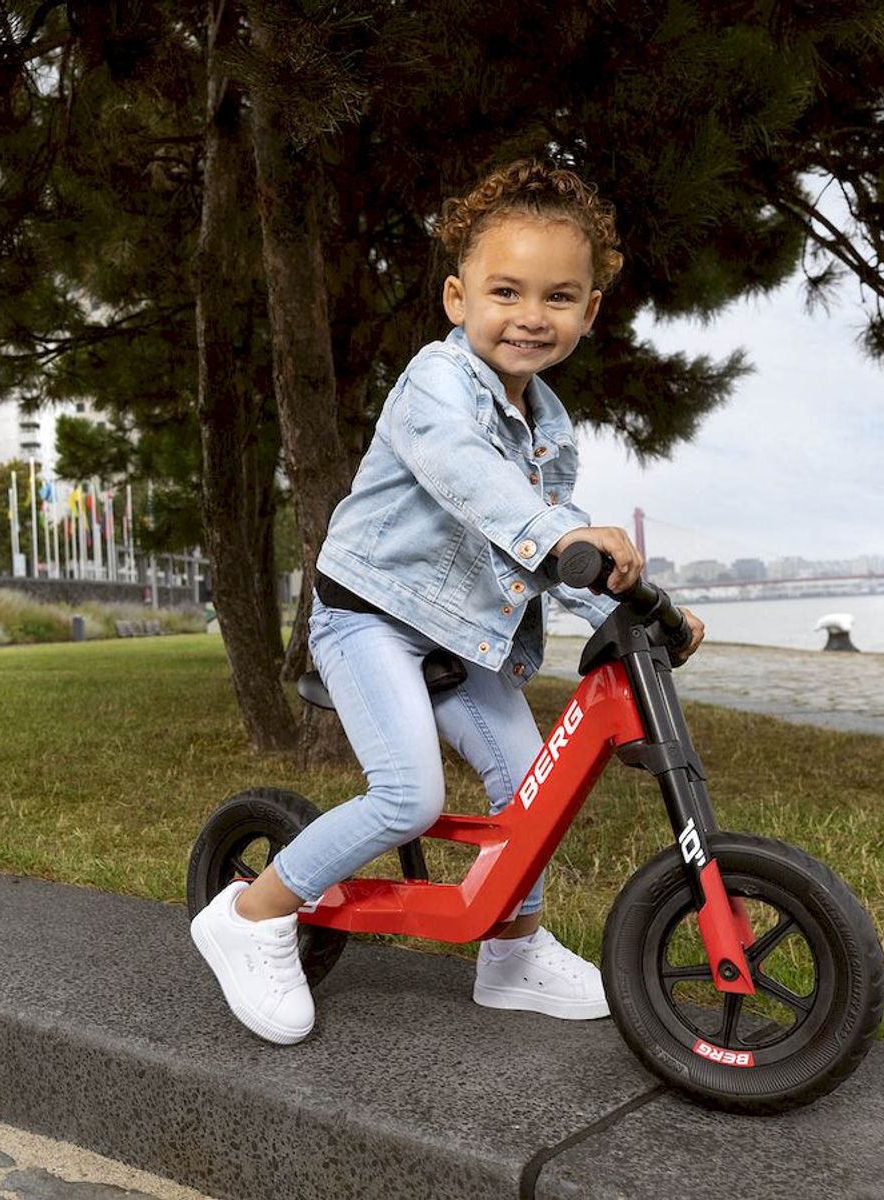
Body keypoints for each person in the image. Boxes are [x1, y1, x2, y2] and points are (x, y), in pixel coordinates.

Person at [191, 160, 705, 1045]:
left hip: (456, 637)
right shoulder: (435, 383)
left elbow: (555, 549)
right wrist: (560, 536)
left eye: (558, 297)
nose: (531, 315)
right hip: (367, 619)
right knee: (409, 797)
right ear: (457, 298)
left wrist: (636, 609)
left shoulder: (549, 427)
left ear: (589, 312)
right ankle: (250, 916)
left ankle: (512, 954)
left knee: (532, 789)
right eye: (506, 291)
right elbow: (475, 483)